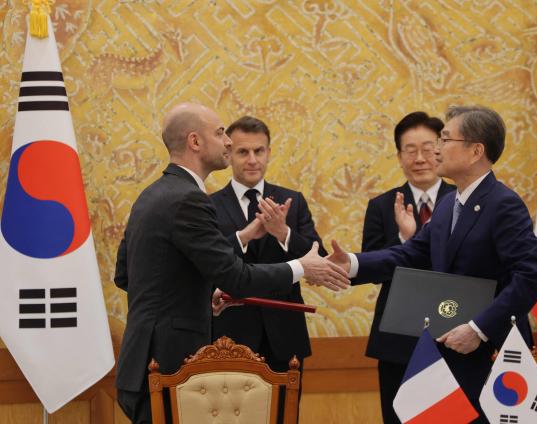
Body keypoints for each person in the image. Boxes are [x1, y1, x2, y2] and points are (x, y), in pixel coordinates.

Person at [113, 103, 349, 424]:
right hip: (167, 363)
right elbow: (235, 277)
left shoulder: (152, 194)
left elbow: (127, 275)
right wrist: (302, 267)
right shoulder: (189, 198)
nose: (227, 142)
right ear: (195, 142)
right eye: (220, 133)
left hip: (145, 360)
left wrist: (198, 294)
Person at [329, 105, 537, 423]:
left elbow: (534, 274)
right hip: (449, 353)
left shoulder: (503, 204)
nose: (436, 148)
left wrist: (479, 329)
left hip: (492, 357)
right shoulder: (449, 204)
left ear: (475, 151)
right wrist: (349, 263)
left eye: (445, 139)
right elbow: (408, 255)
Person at [357, 111, 455, 424]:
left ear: (441, 150)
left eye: (428, 148)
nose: (420, 158)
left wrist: (415, 239)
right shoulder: (381, 206)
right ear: (399, 156)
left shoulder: (463, 201)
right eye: (410, 150)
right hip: (397, 333)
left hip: (453, 328)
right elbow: (372, 269)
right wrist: (404, 239)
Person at [210, 115, 320, 376]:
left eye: (259, 151)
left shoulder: (293, 200)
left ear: (269, 153)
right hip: (229, 336)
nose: (252, 159)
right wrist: (245, 236)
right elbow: (207, 264)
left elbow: (319, 258)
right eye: (242, 152)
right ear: (228, 153)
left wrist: (284, 233)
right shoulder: (209, 205)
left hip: (285, 336)